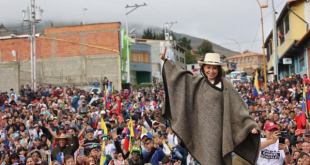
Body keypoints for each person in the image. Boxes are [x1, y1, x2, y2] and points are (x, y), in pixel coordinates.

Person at [160, 48, 260, 164]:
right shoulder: (197, 82)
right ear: (203, 68)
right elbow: (181, 77)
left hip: (221, 134)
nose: (211, 71)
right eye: (208, 67)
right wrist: (166, 61)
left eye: (214, 68)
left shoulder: (226, 86)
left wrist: (250, 126)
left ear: (218, 69)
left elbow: (239, 109)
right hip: (202, 134)